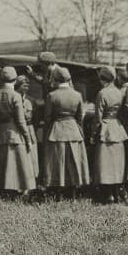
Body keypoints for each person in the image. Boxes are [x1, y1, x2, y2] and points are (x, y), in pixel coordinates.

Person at [41, 66, 90, 195]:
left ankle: (57, 190)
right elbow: (80, 117)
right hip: (73, 130)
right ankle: (73, 190)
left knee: (57, 161)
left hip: (56, 130)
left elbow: (47, 117)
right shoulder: (77, 95)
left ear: (56, 80)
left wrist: (47, 131)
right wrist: (80, 131)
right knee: (73, 160)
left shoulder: (51, 95)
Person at [0, 66, 35, 196]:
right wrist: (28, 139)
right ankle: (19, 190)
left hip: (0, 132)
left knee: (3, 164)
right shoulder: (15, 96)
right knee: (18, 163)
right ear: (15, 80)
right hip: (15, 132)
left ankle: (4, 190)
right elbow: (21, 121)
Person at [89, 65, 128, 202]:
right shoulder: (119, 92)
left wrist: (93, 135)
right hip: (117, 127)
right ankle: (117, 193)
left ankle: (107, 194)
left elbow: (98, 117)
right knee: (117, 162)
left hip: (105, 128)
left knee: (104, 163)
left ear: (102, 78)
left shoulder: (102, 93)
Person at [14, 75, 41, 187]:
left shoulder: (31, 100)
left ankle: (33, 180)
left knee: (32, 156)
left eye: (27, 86)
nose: (26, 88)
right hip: (17, 130)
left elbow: (37, 118)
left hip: (29, 130)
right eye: (24, 85)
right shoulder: (14, 97)